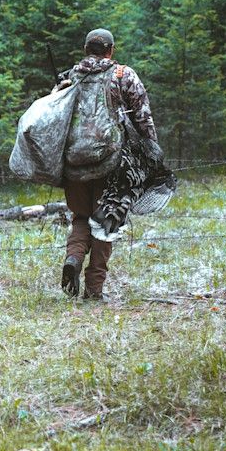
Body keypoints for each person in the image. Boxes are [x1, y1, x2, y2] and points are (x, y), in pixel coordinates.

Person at [54, 28, 158, 300]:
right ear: (111, 50)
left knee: (80, 218)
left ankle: (74, 259)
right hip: (112, 163)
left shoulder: (68, 77)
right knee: (105, 222)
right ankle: (94, 289)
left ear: (85, 48)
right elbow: (143, 118)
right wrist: (151, 153)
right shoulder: (123, 75)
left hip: (74, 162)